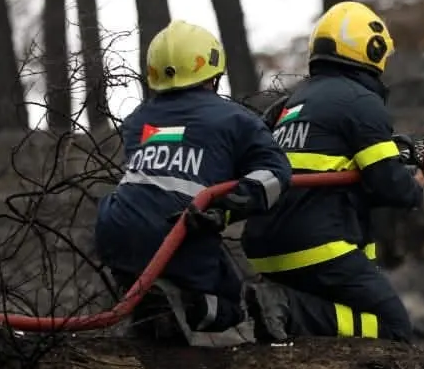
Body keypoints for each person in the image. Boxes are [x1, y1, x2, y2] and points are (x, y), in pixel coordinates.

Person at [240, 0, 424, 343]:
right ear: (372, 50)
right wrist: (420, 178)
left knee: (340, 318)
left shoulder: (290, 105)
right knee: (393, 329)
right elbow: (393, 188)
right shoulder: (360, 101)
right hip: (316, 247)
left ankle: (283, 309)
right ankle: (288, 308)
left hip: (266, 250)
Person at [95, 20, 292, 337]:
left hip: (116, 231)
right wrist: (228, 207)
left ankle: (152, 306)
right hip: (179, 230)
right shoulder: (235, 119)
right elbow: (276, 173)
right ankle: (188, 305)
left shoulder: (136, 121)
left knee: (145, 278)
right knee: (232, 301)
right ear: (213, 72)